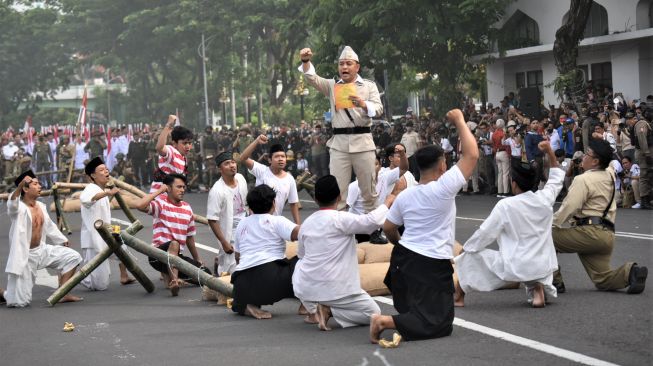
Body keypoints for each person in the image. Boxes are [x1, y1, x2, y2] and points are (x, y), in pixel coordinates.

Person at [370, 108, 479, 343]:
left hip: (404, 261)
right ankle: (383, 321)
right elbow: (471, 155)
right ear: (441, 166)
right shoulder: (443, 188)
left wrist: (400, 244)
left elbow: (388, 227)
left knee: (431, 315)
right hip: (429, 264)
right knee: (439, 324)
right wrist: (460, 121)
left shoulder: (406, 195)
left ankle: (404, 318)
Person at [454, 141, 564, 308]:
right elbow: (556, 178)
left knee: (469, 257)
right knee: (532, 265)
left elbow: (485, 233)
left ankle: (459, 296)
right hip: (543, 266)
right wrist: (549, 151)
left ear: (513, 183)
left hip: (516, 265)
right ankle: (537, 290)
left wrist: (466, 249)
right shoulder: (545, 199)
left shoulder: (506, 206)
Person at [293, 175, 399, 331]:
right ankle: (329, 310)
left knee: (301, 263)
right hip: (337, 289)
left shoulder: (307, 223)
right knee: (373, 312)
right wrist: (387, 202)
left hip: (305, 289)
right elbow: (372, 222)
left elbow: (301, 255)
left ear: (315, 199)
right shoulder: (340, 219)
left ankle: (316, 309)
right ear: (340, 197)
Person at [552, 138, 648, 294]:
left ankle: (554, 281)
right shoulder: (609, 175)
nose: (583, 157)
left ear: (595, 161)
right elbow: (612, 165)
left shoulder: (582, 179)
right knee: (602, 279)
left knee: (544, 236)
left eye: (587, 154)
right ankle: (631, 272)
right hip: (607, 235)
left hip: (589, 233)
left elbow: (569, 207)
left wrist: (551, 223)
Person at [299, 46, 383, 212]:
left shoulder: (368, 86)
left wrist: (364, 104)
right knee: (337, 191)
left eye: (348, 64)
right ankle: (340, 229)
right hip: (339, 145)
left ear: (357, 67)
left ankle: (373, 229)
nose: (344, 67)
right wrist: (306, 61)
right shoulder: (332, 86)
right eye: (341, 64)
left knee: (369, 190)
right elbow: (312, 78)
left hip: (363, 142)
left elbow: (379, 109)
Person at [3, 170, 83, 307]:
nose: (39, 186)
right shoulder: (18, 208)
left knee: (73, 257)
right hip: (26, 256)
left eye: (39, 183)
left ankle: (62, 293)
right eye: (35, 184)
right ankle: (4, 294)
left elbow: (49, 226)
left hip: (42, 250)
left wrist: (61, 239)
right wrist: (20, 185)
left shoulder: (41, 206)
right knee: (19, 302)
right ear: (25, 189)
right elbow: (12, 202)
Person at [231, 185, 300, 319]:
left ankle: (246, 304)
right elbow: (301, 233)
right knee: (303, 260)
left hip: (240, 283)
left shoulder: (242, 224)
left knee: (247, 289)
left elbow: (238, 257)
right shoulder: (276, 220)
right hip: (270, 281)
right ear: (273, 203)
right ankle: (308, 304)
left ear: (250, 206)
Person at [136, 173, 207, 296]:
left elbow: (189, 237)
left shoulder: (187, 208)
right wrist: (159, 191)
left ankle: (172, 276)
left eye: (183, 187)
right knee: (174, 244)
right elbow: (140, 206)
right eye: (178, 187)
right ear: (168, 188)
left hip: (176, 257)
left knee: (206, 275)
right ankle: (174, 281)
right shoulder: (161, 204)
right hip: (157, 255)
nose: (182, 190)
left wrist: (197, 259)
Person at [79, 157, 134, 291]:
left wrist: (108, 193)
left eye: (106, 169)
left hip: (106, 233)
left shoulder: (101, 189)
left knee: (123, 249)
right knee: (99, 285)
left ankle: (124, 276)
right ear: (93, 175)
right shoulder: (90, 189)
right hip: (94, 238)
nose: (106, 172)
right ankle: (74, 277)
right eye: (101, 170)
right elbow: (86, 200)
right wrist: (108, 193)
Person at [347, 146, 408, 243]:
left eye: (375, 164)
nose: (371, 168)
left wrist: (402, 154)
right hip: (360, 228)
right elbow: (347, 208)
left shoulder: (385, 178)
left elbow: (403, 168)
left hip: (376, 226)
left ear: (380, 167)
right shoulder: (355, 186)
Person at [239, 135, 301, 224]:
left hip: (274, 224)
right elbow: (243, 158)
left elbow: (293, 203)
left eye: (283, 156)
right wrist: (256, 141)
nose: (280, 159)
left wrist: (298, 226)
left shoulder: (290, 179)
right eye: (277, 156)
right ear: (269, 160)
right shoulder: (261, 170)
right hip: (256, 222)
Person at [207, 151, 248, 275]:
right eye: (226, 164)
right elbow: (212, 219)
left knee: (248, 260)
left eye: (233, 162)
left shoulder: (240, 178)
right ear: (220, 169)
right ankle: (220, 270)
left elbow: (245, 203)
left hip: (246, 224)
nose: (232, 165)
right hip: (229, 230)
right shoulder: (217, 191)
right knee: (231, 268)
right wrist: (224, 242)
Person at [150, 115, 193, 194]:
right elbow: (159, 147)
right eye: (184, 143)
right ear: (174, 143)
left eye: (189, 143)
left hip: (171, 200)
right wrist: (168, 125)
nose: (187, 146)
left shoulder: (183, 158)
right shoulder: (171, 151)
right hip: (160, 198)